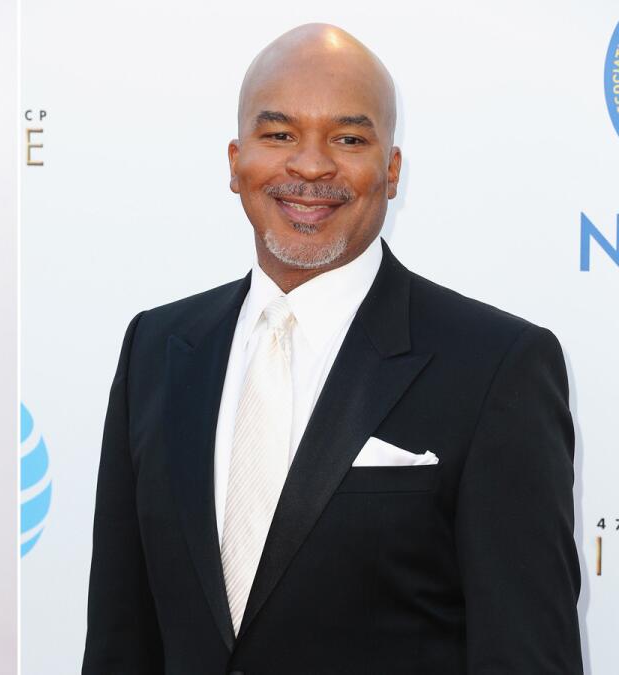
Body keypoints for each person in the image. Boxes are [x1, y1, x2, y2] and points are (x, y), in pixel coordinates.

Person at [83, 23, 582, 674]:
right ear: (236, 162)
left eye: (348, 138)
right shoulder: (156, 347)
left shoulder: (497, 367)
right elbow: (122, 642)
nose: (311, 166)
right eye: (280, 134)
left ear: (392, 169)